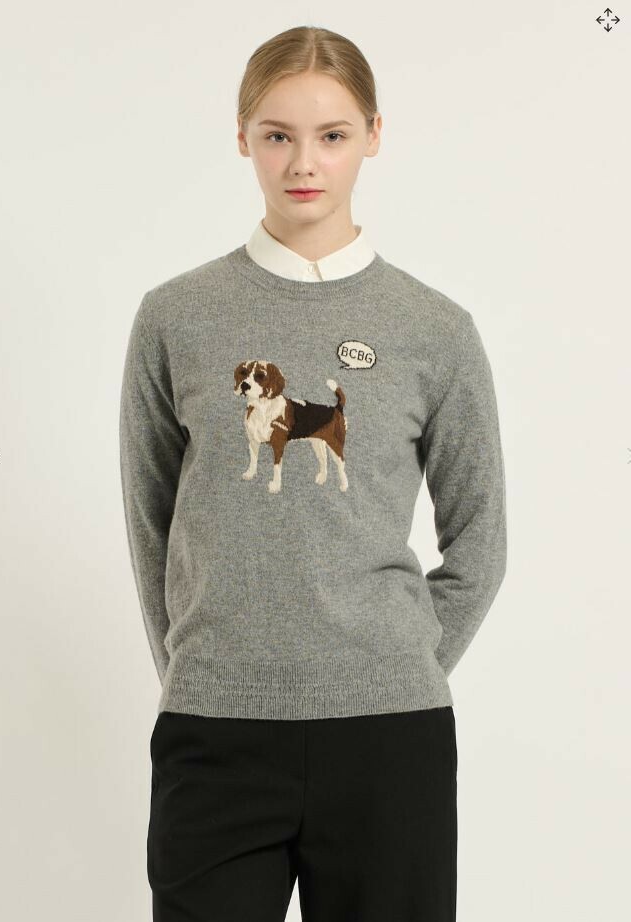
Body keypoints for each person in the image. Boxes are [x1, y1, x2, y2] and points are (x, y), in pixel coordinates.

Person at [119, 24, 507, 922]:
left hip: (390, 739)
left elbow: (480, 542)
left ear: (373, 135)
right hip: (214, 734)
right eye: (277, 134)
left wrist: (396, 664)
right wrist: (200, 666)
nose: (304, 162)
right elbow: (151, 520)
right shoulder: (174, 317)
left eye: (331, 134)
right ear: (242, 137)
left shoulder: (435, 329)